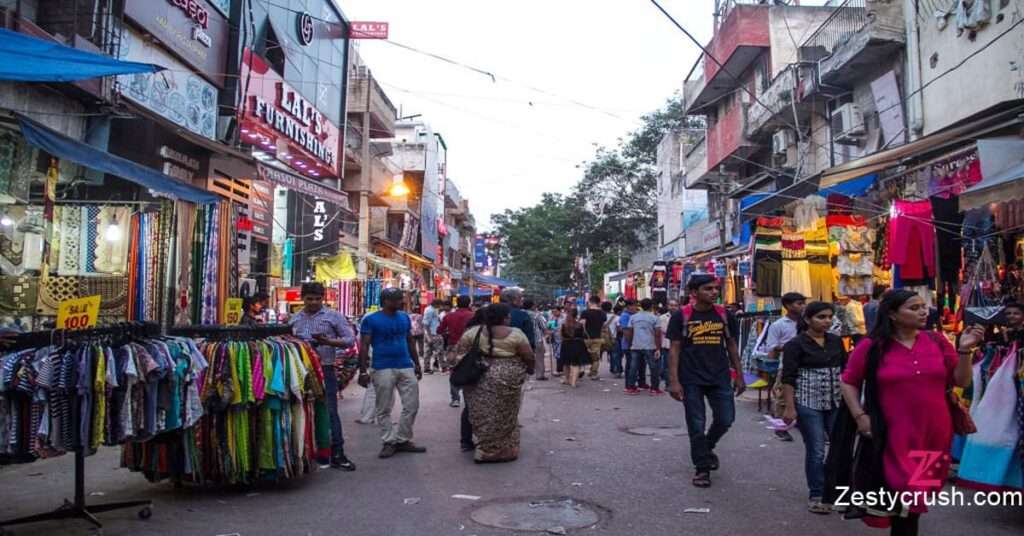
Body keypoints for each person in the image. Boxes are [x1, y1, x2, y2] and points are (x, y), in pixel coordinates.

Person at [838, 290, 980, 536]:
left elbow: (962, 380)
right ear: (892, 314)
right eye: (913, 308)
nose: (923, 312)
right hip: (892, 435)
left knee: (914, 502)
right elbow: (848, 381)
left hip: (933, 433)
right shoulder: (872, 347)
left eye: (923, 307)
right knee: (901, 491)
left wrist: (965, 351)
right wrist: (860, 416)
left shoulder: (936, 341)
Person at [667, 274, 745, 488]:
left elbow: (731, 346)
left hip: (719, 376)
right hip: (690, 377)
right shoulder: (681, 316)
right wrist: (673, 381)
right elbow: (674, 349)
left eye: (715, 288)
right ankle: (702, 468)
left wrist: (739, 374)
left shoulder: (724, 315)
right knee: (696, 424)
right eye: (707, 289)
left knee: (726, 418)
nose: (713, 292)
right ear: (694, 292)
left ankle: (707, 447)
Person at [780, 302, 847, 514]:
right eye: (821, 317)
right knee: (816, 449)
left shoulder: (836, 342)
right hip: (808, 402)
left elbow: (845, 372)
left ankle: (836, 492)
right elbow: (788, 378)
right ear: (808, 320)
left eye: (829, 317)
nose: (826, 321)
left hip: (835, 401)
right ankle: (817, 494)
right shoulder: (795, 345)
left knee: (839, 449)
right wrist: (790, 408)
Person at [454, 303, 534, 463]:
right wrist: (530, 370)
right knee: (506, 413)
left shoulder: (473, 332)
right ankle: (499, 450)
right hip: (509, 377)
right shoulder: (516, 334)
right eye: (508, 315)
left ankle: (484, 448)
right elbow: (528, 356)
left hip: (479, 377)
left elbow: (459, 354)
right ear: (505, 317)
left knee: (483, 413)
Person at [290, 282, 356, 471]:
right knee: (303, 411)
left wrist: (328, 341)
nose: (313, 302)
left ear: (323, 298)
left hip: (325, 369)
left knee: (329, 411)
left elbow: (350, 340)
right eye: (309, 299)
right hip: (300, 370)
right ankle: (309, 452)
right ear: (303, 298)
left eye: (317, 299)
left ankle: (338, 453)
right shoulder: (294, 319)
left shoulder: (333, 317)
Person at [358, 288, 427, 459]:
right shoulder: (371, 320)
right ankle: (388, 441)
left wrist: (417, 364)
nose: (401, 302)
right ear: (386, 301)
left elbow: (410, 340)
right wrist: (362, 371)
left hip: (405, 365)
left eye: (400, 299)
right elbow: (364, 346)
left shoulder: (404, 317)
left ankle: (402, 439)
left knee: (412, 405)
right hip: (382, 367)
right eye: (397, 299)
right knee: (384, 407)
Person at [765, 292, 807, 442]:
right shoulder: (778, 325)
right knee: (782, 398)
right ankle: (781, 428)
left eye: (803, 303)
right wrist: (792, 347)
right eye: (799, 303)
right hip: (787, 365)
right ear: (788, 306)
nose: (802, 306)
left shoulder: (807, 323)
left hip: (807, 366)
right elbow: (772, 347)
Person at [439, 295, 475, 407]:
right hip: (470, 347)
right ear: (469, 303)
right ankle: (469, 398)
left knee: (453, 371)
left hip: (453, 346)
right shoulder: (473, 316)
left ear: (456, 303)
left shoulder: (449, 316)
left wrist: (448, 333)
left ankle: (455, 399)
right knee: (471, 371)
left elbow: (439, 330)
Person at [626, 298, 663, 395]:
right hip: (650, 346)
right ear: (651, 307)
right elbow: (658, 334)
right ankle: (654, 389)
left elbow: (630, 332)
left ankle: (631, 387)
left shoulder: (633, 317)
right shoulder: (654, 318)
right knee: (653, 367)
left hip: (636, 345)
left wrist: (630, 344)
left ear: (640, 306)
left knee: (633, 367)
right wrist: (658, 348)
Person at [500, 287, 537, 353]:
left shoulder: (488, 312)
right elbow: (529, 342)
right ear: (515, 299)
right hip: (516, 356)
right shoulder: (522, 315)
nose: (522, 300)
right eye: (520, 297)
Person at [559, 308, 589, 388]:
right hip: (578, 345)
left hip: (566, 345)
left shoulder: (564, 325)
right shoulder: (580, 325)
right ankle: (573, 382)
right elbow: (584, 335)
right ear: (576, 316)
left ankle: (567, 379)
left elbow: (561, 336)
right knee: (576, 364)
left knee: (566, 363)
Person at [580, 296, 608, 380]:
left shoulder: (585, 312)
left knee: (583, 355)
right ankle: (593, 374)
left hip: (586, 338)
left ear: (590, 302)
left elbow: (582, 324)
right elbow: (603, 325)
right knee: (595, 357)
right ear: (599, 303)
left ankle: (581, 370)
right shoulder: (603, 313)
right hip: (597, 338)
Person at [524, 299, 550, 380]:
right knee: (539, 357)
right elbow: (544, 327)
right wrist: (548, 335)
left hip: (524, 339)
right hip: (537, 339)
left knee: (525, 357)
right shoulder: (536, 315)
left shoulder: (522, 314)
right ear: (532, 306)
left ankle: (526, 374)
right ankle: (539, 375)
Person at [422, 299, 445, 374]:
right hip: (433, 333)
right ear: (436, 304)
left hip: (431, 333)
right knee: (439, 351)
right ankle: (443, 367)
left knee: (428, 352)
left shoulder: (429, 309)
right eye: (440, 305)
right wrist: (429, 337)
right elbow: (426, 324)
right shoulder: (430, 311)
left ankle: (427, 368)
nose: (440, 307)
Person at [657, 301, 677, 386]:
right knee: (667, 366)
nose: (673, 307)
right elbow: (664, 330)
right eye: (671, 305)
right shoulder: (663, 317)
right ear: (668, 306)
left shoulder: (682, 316)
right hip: (667, 344)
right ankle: (668, 384)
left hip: (679, 345)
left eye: (675, 305)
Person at [608, 304, 625, 378]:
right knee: (617, 354)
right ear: (619, 311)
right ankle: (617, 370)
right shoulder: (617, 318)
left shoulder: (606, 316)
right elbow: (619, 329)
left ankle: (613, 368)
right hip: (615, 337)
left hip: (607, 338)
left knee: (612, 353)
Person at [549, 307, 564, 376]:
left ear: (559, 311)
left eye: (555, 311)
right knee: (556, 354)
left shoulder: (563, 318)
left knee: (560, 354)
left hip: (562, 339)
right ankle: (559, 369)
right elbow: (550, 328)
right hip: (554, 339)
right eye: (553, 312)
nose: (554, 313)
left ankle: (559, 369)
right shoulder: (552, 318)